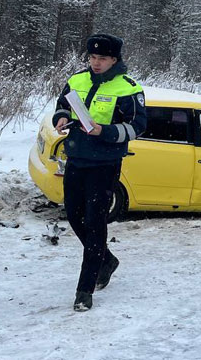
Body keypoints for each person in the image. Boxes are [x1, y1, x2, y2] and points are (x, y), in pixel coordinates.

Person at [52, 34, 147, 312]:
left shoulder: (129, 88)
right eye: (93, 57)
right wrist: (59, 118)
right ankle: (106, 259)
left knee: (95, 223)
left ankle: (85, 289)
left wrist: (103, 131)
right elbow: (63, 105)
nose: (96, 63)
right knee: (73, 215)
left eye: (102, 59)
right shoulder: (77, 79)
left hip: (104, 164)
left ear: (114, 60)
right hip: (76, 159)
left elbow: (138, 126)